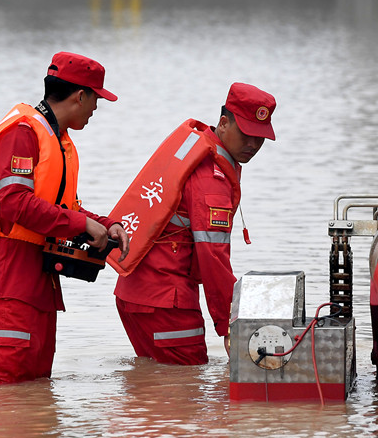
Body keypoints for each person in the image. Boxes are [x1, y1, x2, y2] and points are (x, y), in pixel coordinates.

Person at [0, 51, 129, 384]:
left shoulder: (56, 139)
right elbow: (14, 204)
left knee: (36, 400)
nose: (96, 109)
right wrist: (81, 224)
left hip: (40, 283)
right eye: (96, 100)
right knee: (9, 399)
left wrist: (105, 223)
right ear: (80, 96)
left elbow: (63, 207)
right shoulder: (22, 131)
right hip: (10, 282)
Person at [109, 82, 276, 365]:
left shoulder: (200, 149)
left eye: (260, 138)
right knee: (184, 392)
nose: (253, 145)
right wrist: (228, 325)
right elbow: (213, 258)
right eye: (246, 134)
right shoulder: (211, 178)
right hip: (167, 302)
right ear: (223, 123)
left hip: (133, 293)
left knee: (156, 389)